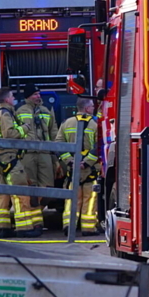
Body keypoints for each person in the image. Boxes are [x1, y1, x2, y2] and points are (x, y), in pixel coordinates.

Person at [0, 87, 41, 238]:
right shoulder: (5, 114)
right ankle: (24, 228)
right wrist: (24, 128)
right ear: (6, 99)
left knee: (4, 195)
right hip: (9, 159)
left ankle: (3, 228)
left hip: (0, 159)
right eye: (12, 96)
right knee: (20, 193)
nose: (14, 99)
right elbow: (9, 134)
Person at [15, 84, 58, 231]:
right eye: (35, 94)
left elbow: (54, 132)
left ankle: (37, 216)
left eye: (39, 94)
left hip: (45, 153)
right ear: (28, 96)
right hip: (27, 154)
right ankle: (37, 222)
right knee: (31, 188)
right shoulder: (19, 111)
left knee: (47, 188)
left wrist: (56, 155)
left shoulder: (47, 111)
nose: (38, 96)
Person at [56, 97, 101, 236]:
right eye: (92, 106)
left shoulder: (66, 123)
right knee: (90, 198)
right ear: (87, 108)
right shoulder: (95, 124)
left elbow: (59, 144)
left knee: (72, 198)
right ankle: (88, 228)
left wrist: (70, 162)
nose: (93, 108)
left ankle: (69, 226)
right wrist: (87, 162)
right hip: (90, 169)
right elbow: (98, 147)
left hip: (72, 169)